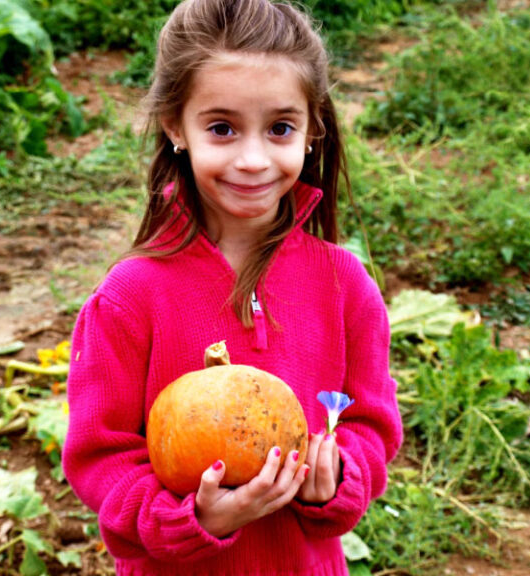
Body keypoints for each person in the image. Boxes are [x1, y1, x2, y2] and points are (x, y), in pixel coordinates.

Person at [62, 0, 403, 574]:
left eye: (279, 128)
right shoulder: (130, 297)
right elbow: (101, 457)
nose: (252, 159)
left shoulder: (346, 286)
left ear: (313, 129)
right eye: (222, 128)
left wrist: (338, 475)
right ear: (176, 125)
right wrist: (189, 519)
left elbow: (370, 425)